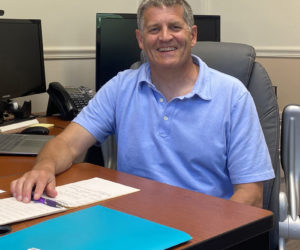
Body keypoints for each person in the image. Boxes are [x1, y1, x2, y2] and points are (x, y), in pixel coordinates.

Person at [11, 0, 274, 208]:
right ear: (140, 39)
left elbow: (251, 194)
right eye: (154, 29)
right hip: (135, 224)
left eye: (174, 27)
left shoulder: (232, 95)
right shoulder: (121, 87)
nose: (164, 37)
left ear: (192, 35)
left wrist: (212, 236)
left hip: (209, 226)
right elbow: (67, 144)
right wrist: (44, 167)